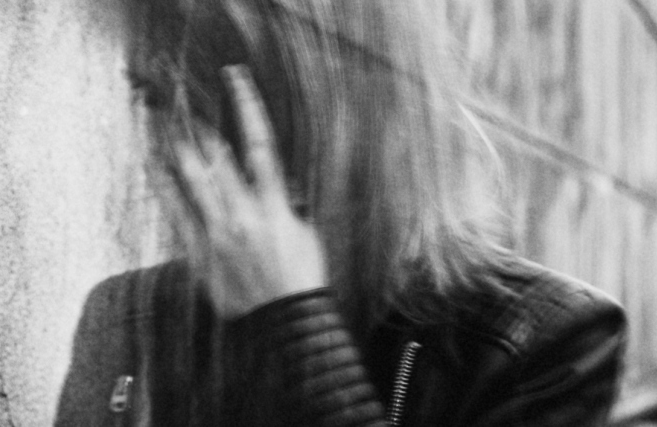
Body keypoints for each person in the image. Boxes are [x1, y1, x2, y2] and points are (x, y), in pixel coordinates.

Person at [56, 0, 627, 426]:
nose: (171, 146)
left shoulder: (544, 343)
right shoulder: (125, 320)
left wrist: (293, 326)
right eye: (151, 98)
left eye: (213, 101)